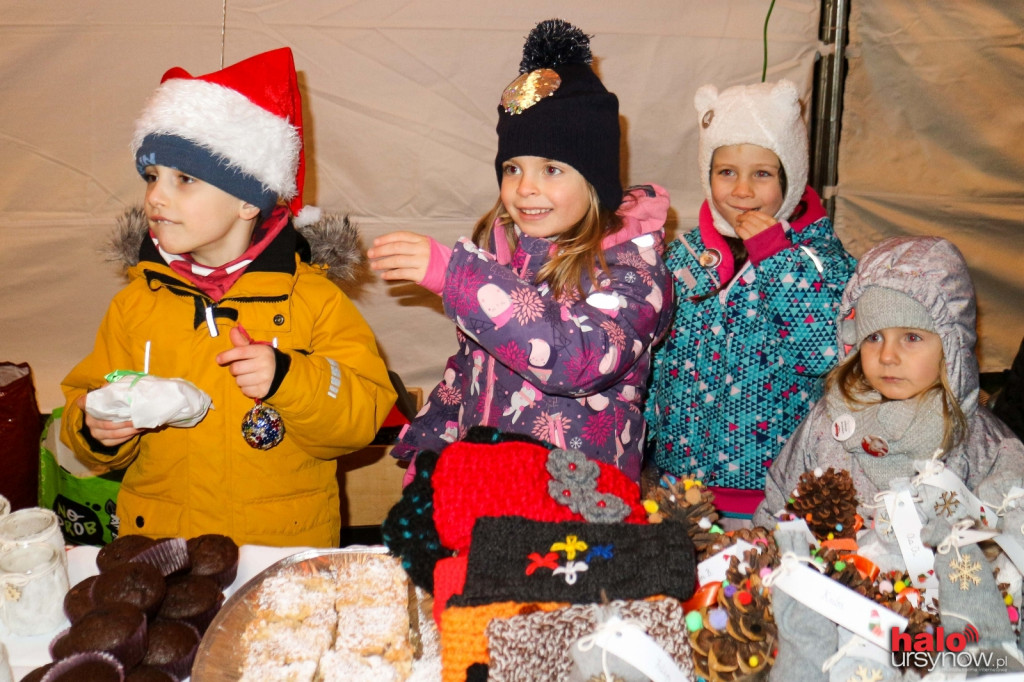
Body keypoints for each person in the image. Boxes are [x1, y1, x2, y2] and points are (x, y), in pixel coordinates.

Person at [60, 48, 396, 547]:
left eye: (185, 180)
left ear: (248, 199)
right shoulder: (136, 305)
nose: (155, 196)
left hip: (277, 552)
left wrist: (288, 376)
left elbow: (362, 416)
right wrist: (93, 428)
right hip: (163, 551)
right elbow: (82, 414)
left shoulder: (311, 299)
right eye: (153, 177)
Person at [368, 19, 673, 483]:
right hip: (487, 491)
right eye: (513, 168)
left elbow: (578, 359)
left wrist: (458, 278)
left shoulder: (632, 269)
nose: (525, 187)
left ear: (595, 179)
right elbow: (467, 372)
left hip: (578, 508)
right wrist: (429, 458)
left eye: (552, 169)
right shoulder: (507, 257)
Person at [644, 79, 856, 521]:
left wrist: (775, 258)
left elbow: (823, 352)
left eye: (762, 173)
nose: (741, 191)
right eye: (726, 172)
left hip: (773, 493)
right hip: (676, 484)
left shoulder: (821, 260)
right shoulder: (683, 255)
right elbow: (653, 357)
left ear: (791, 175)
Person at [753, 236, 1024, 527]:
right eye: (873, 337)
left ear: (951, 345)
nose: (887, 356)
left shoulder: (984, 442)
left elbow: (1010, 540)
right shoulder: (826, 423)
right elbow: (778, 510)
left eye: (912, 337)